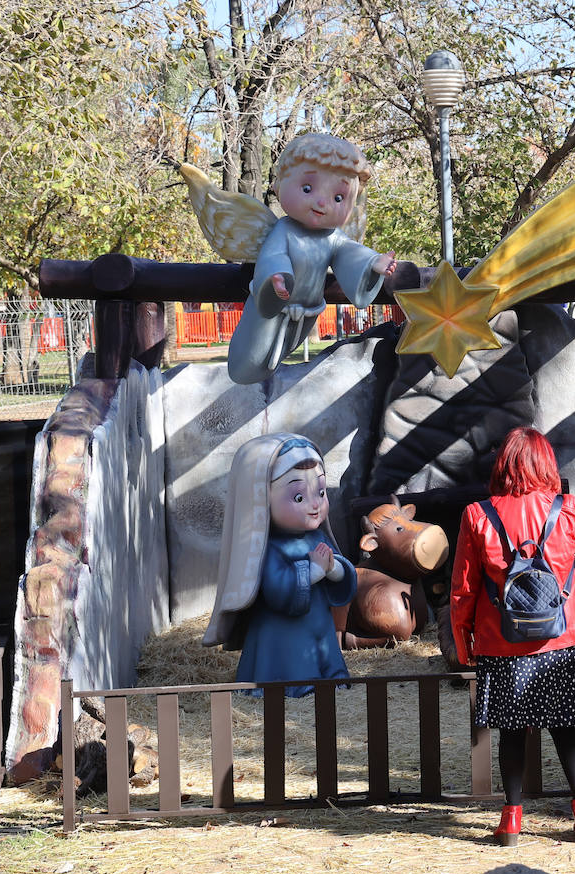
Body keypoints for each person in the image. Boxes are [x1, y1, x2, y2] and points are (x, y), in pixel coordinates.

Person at [451, 427, 575, 846]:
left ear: (503, 464)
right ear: (546, 464)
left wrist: (462, 639)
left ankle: (510, 822)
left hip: (501, 641)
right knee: (567, 727)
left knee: (510, 731)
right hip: (564, 637)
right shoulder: (570, 510)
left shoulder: (477, 514)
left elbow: (463, 588)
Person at [228, 133, 397, 383]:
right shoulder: (283, 230)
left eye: (338, 197)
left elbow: (350, 253)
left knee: (281, 353)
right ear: (278, 186)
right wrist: (277, 279)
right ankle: (247, 374)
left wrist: (373, 263)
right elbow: (274, 255)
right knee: (249, 360)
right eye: (307, 188)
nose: (321, 202)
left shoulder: (333, 237)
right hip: (270, 309)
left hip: (308, 313)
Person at [202, 433, 358, 697]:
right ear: (262, 500)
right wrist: (315, 571)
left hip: (319, 624)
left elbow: (343, 578)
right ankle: (299, 685)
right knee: (295, 663)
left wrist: (333, 569)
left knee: (325, 652)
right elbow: (277, 589)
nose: (315, 505)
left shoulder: (318, 537)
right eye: (299, 497)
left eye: (320, 492)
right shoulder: (268, 548)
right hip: (283, 632)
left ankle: (332, 676)